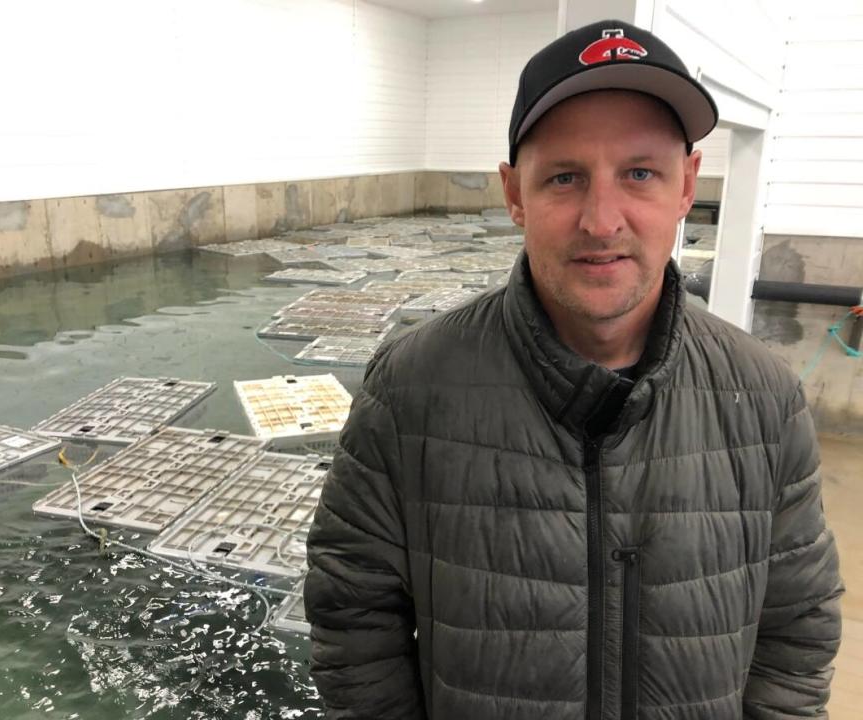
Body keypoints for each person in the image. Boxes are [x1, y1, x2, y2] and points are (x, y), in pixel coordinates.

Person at [304, 19, 842, 720]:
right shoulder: (409, 390)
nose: (601, 219)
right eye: (565, 177)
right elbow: (352, 619)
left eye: (640, 173)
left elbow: (796, 629)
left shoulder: (764, 398)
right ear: (514, 194)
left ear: (687, 185)